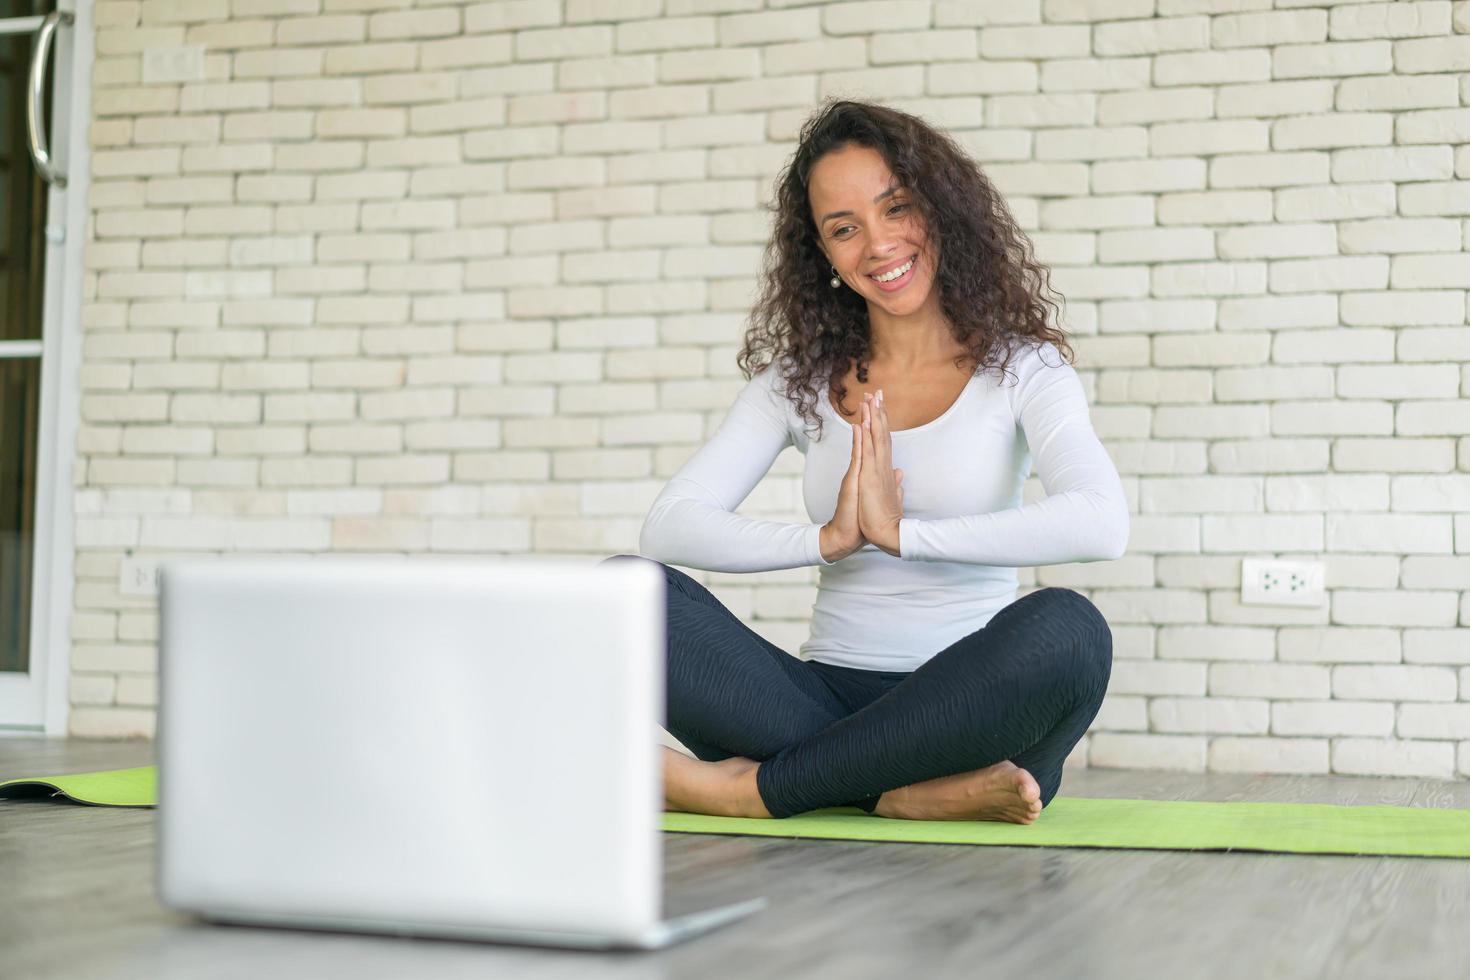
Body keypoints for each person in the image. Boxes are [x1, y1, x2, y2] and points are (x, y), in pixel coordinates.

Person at [602, 99, 1129, 824]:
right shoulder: (797, 383)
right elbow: (669, 527)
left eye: (896, 208)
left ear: (941, 211)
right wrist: (828, 541)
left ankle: (755, 791)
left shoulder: (1023, 370)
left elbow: (1102, 523)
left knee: (1071, 633)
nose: (877, 245)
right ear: (823, 254)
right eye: (844, 228)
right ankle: (895, 793)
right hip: (816, 702)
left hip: (970, 713)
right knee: (627, 591)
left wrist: (902, 535)